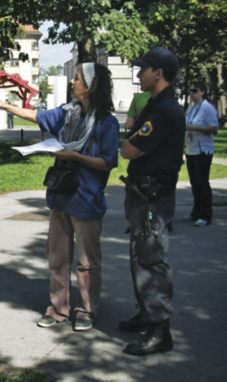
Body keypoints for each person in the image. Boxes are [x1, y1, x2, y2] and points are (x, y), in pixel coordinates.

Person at [0, 62, 120, 332]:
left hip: (87, 199)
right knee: (58, 257)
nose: (73, 82)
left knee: (87, 262)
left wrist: (75, 156)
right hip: (61, 197)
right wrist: (4, 106)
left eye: (78, 79)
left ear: (91, 87)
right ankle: (59, 308)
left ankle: (87, 310)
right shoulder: (68, 113)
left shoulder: (107, 123)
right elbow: (37, 116)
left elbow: (108, 162)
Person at [120, 48, 185, 356]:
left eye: (143, 68)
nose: (138, 73)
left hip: (153, 197)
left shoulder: (165, 110)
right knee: (141, 257)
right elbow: (133, 142)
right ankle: (148, 314)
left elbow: (129, 150)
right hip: (144, 194)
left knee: (151, 261)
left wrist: (130, 142)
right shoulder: (156, 105)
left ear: (158, 72)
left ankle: (160, 331)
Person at [183, 81, 219, 226]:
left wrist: (194, 127)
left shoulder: (207, 108)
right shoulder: (191, 108)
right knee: (194, 183)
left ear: (202, 92)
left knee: (202, 182)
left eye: (194, 90)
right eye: (190, 91)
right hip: (191, 149)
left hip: (203, 149)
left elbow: (214, 128)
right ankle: (196, 212)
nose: (191, 94)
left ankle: (206, 214)